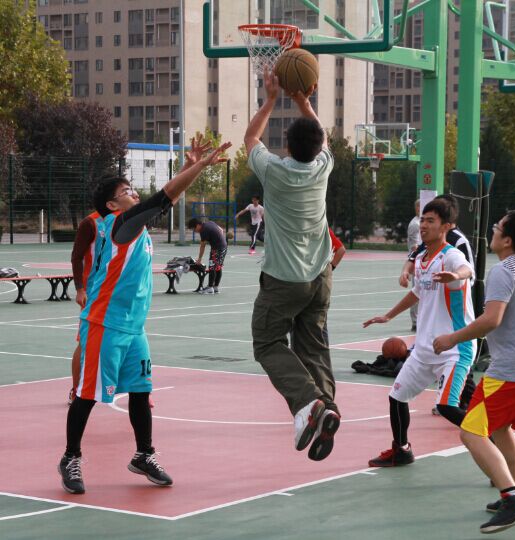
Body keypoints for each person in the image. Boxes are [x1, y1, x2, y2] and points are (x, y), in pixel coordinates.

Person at [58, 136, 231, 495]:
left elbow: (166, 200)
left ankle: (144, 455)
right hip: (104, 322)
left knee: (141, 390)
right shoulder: (120, 226)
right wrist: (199, 167)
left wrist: (188, 168)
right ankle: (70, 457)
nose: (134, 193)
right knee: (87, 394)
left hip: (133, 326)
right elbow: (162, 198)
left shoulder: (136, 226)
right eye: (126, 191)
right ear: (112, 204)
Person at [433, 210, 515, 534]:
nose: (493, 231)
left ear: (507, 240)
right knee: (500, 429)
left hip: (512, 369)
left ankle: (513, 498)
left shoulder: (503, 270)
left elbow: (491, 320)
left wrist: (452, 338)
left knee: (471, 432)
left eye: (498, 227)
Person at [245, 68, 339, 462]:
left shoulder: (274, 170)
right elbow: (322, 137)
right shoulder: (323, 167)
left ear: (286, 144)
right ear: (318, 148)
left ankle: (307, 402)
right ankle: (326, 407)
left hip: (285, 279)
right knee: (312, 345)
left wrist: (270, 99)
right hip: (320, 276)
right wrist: (302, 99)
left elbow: (251, 139)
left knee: (267, 342)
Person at [363, 197, 475, 467]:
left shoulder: (450, 256)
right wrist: (389, 315)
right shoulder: (423, 259)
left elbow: (467, 268)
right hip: (425, 349)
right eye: (423, 220)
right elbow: (417, 292)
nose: (423, 225)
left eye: (430, 221)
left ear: (446, 226)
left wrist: (457, 276)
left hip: (454, 349)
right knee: (396, 397)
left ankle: (492, 439)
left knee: (447, 406)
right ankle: (401, 450)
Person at [68, 210, 104, 404]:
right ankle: (76, 390)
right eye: (127, 194)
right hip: (94, 291)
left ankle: (140, 392)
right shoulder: (91, 222)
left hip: (119, 292)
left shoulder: (126, 220)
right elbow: (76, 257)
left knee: (131, 340)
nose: (134, 196)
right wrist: (80, 289)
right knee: (85, 342)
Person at [187, 218, 228, 294]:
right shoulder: (210, 223)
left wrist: (199, 259)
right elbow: (221, 230)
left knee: (212, 267)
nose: (194, 231)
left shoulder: (203, 230)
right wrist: (218, 238)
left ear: (197, 225)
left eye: (194, 229)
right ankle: (215, 287)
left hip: (217, 248)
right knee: (218, 267)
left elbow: (202, 246)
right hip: (224, 246)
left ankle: (210, 288)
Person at [404, 199, 421, 331]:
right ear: (417, 208)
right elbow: (415, 247)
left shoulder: (421, 222)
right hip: (416, 262)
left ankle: (419, 320)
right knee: (417, 291)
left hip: (422, 260)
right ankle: (415, 321)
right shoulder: (415, 224)